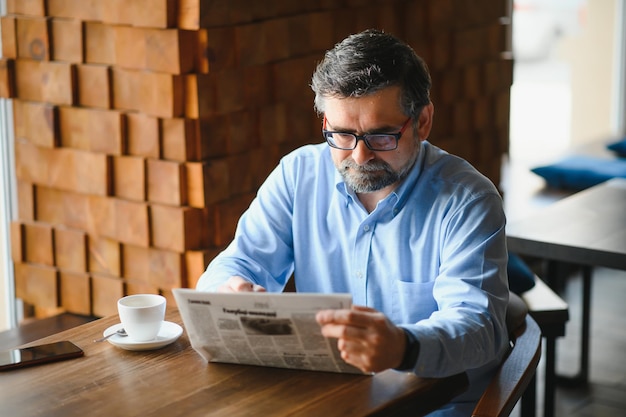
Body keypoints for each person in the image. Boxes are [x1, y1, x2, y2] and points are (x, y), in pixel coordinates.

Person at [197, 29, 509, 415]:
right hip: (327, 400)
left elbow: (480, 327)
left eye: (381, 137)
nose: (359, 157)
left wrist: (404, 345)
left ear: (423, 121)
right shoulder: (298, 175)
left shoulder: (468, 200)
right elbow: (238, 262)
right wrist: (226, 292)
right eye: (342, 134)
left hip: (435, 405)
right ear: (325, 121)